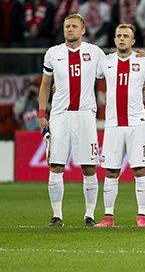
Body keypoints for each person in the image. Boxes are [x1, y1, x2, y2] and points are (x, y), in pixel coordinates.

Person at [39, 13, 106, 227]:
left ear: (83, 30)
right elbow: (45, 85)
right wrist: (42, 114)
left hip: (85, 115)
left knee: (89, 167)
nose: (70, 29)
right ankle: (57, 215)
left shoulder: (94, 52)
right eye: (67, 26)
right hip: (59, 115)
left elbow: (112, 71)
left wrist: (137, 57)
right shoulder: (53, 53)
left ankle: (90, 215)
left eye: (74, 26)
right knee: (56, 166)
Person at [94, 24, 145, 227]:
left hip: (136, 124)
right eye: (118, 35)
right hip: (113, 124)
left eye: (126, 36)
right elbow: (88, 81)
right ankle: (108, 217)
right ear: (114, 40)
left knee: (140, 170)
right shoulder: (105, 62)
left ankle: (141, 216)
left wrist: (135, 96)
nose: (121, 39)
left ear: (133, 41)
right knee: (111, 171)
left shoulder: (144, 62)